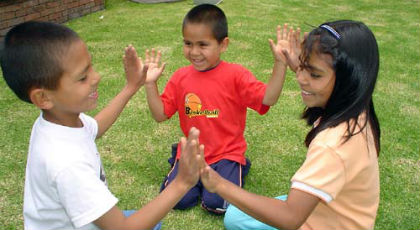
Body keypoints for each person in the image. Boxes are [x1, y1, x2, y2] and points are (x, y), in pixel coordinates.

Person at [0, 21, 204, 230]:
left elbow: (94, 128)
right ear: (43, 97)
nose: (97, 77)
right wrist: (181, 183)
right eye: (82, 77)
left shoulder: (58, 120)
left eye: (91, 67)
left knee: (153, 222)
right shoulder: (67, 164)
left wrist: (131, 87)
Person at [198, 20, 381, 230]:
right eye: (302, 66)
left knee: (242, 215)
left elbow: (290, 218)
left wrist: (220, 184)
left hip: (323, 222)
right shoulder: (356, 106)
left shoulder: (332, 145)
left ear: (347, 81)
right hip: (327, 209)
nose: (301, 78)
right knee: (234, 217)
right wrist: (299, 65)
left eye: (314, 74)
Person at [140, 3, 290, 214]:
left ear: (223, 44)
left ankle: (238, 167)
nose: (194, 52)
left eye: (203, 44)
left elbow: (269, 98)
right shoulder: (180, 77)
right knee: (178, 201)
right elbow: (160, 114)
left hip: (226, 154)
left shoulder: (236, 75)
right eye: (188, 43)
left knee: (217, 205)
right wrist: (149, 84)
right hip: (192, 153)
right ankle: (180, 158)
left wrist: (280, 63)